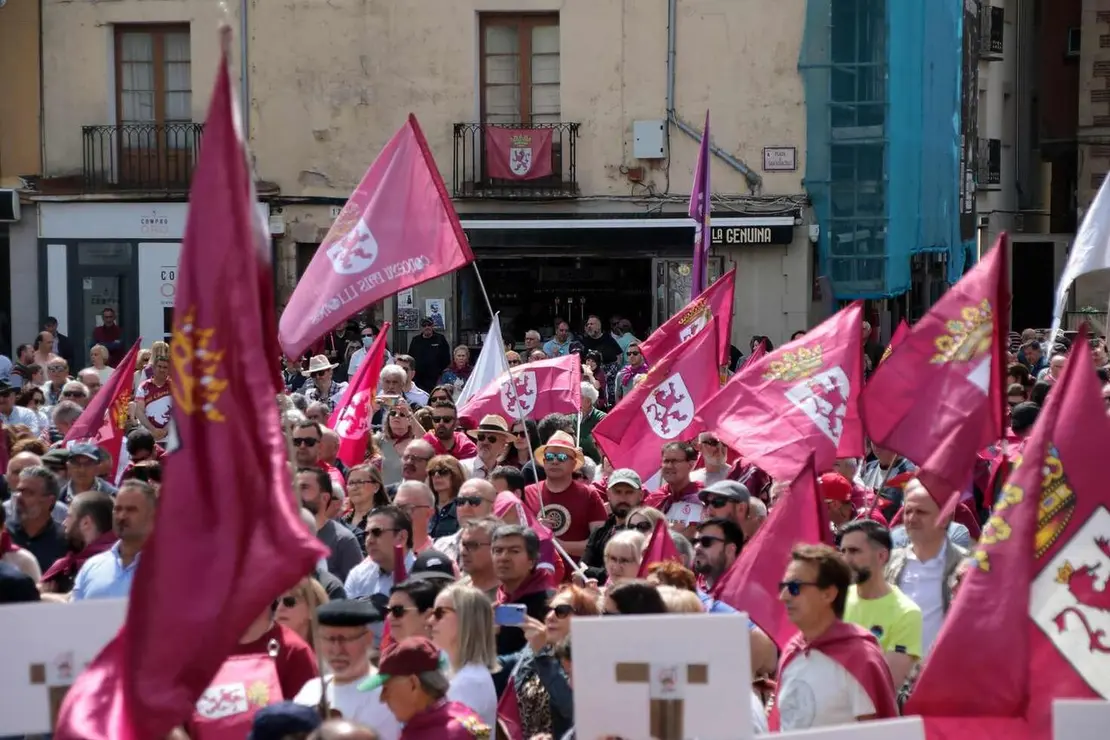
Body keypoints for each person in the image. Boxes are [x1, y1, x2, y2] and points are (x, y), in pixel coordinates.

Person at [774, 543, 897, 730]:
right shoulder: (791, 652)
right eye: (783, 586)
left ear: (828, 594)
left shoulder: (861, 658)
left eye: (794, 587)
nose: (784, 596)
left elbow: (883, 732)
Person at [294, 599, 403, 740]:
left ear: (368, 638)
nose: (337, 650)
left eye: (345, 639)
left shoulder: (384, 694)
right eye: (329, 639)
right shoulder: (311, 689)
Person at [360, 637, 491, 739]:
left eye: (386, 688)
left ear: (413, 684)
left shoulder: (445, 734)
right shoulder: (462, 714)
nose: (382, 699)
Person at [428, 583, 499, 729]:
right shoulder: (459, 673)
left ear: (466, 619)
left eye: (440, 613)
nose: (430, 621)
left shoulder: (469, 682)